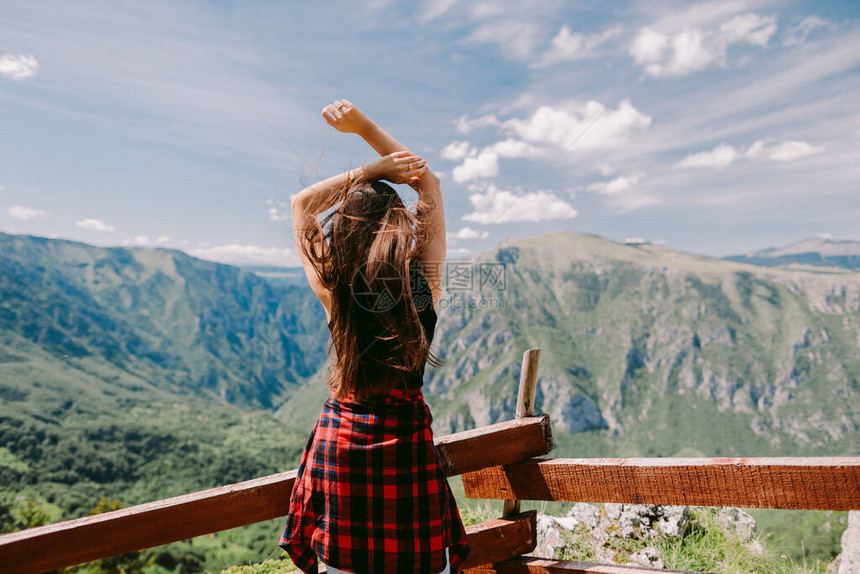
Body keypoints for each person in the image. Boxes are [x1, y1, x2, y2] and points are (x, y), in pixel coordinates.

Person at [278, 99, 471, 574]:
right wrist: (365, 128)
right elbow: (428, 181)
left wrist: (370, 171)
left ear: (343, 235)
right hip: (406, 456)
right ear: (400, 230)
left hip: (340, 452)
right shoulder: (420, 289)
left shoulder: (335, 292)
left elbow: (301, 204)